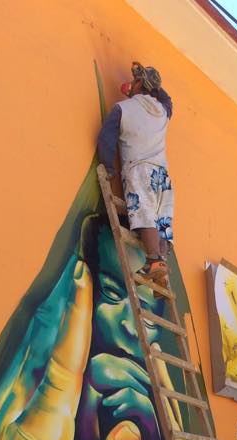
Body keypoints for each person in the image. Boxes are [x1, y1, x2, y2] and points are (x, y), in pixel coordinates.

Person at [97, 61, 174, 283]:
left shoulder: (123, 109)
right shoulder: (162, 111)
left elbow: (106, 139)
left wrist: (108, 167)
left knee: (145, 215)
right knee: (161, 221)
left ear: (139, 84)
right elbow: (168, 100)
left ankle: (154, 261)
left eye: (136, 80)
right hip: (162, 176)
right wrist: (152, 83)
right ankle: (161, 266)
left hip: (139, 169)